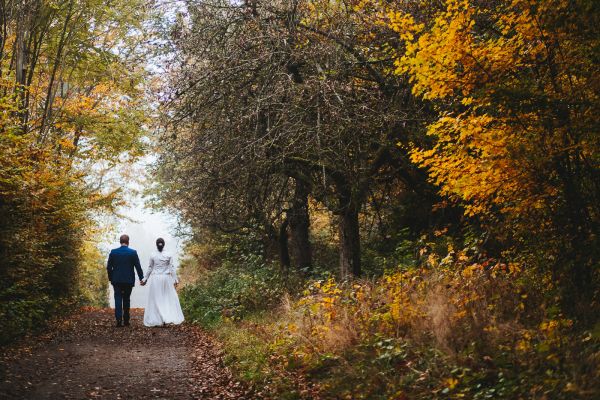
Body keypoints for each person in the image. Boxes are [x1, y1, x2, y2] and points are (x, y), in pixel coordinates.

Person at [142, 238, 185, 327]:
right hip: (166, 279)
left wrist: (145, 279)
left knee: (156, 299)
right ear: (164, 244)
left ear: (156, 244)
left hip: (156, 279)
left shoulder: (153, 254)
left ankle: (159, 318)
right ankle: (166, 318)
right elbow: (172, 268)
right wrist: (175, 280)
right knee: (166, 298)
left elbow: (150, 267)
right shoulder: (169, 254)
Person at [106, 234, 144, 327]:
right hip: (128, 280)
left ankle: (119, 320)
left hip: (117, 280)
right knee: (126, 299)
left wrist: (111, 278)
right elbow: (138, 267)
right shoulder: (133, 252)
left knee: (118, 299)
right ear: (128, 242)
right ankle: (126, 320)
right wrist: (141, 278)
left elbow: (108, 267)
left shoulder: (113, 252)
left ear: (120, 241)